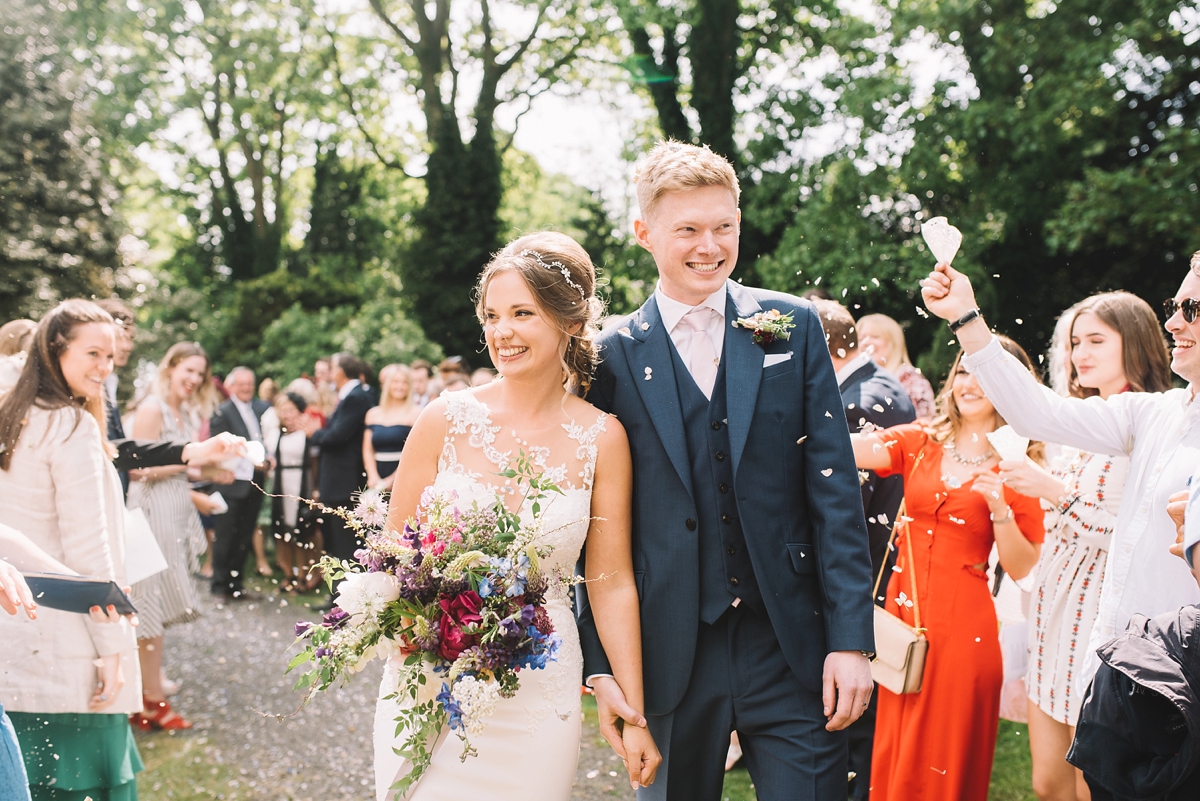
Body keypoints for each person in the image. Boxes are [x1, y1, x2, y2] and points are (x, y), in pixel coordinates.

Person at [580, 141, 875, 801]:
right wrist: (603, 670)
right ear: (644, 233)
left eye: (724, 227)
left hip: (792, 646)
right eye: (687, 229)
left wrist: (851, 639)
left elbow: (833, 492)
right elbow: (590, 535)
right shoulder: (609, 359)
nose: (709, 245)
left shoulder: (788, 327)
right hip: (666, 655)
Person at [373, 231, 658, 799]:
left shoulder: (603, 438)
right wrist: (412, 625)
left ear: (569, 323)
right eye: (492, 315)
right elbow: (392, 550)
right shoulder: (442, 418)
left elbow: (611, 582)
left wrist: (633, 706)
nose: (501, 332)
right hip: (430, 681)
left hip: (539, 690)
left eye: (523, 313)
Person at [920, 257, 1200, 716]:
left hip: (1179, 685)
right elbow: (1039, 413)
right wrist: (966, 319)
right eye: (1174, 306)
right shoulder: (1153, 412)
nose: (1172, 321)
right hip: (1105, 655)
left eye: (1192, 309)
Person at [851, 336, 1046, 801]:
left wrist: (999, 508)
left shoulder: (1018, 465)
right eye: (962, 370)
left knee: (944, 762)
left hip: (965, 633)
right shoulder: (921, 442)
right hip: (903, 624)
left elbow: (1023, 566)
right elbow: (851, 448)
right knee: (895, 753)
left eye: (983, 373)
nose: (968, 383)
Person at [994, 293, 1171, 801]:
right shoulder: (1077, 423)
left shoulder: (1153, 426)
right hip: (1054, 615)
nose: (1080, 354)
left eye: (1096, 340)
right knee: (1047, 784)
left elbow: (1140, 533)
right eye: (1075, 342)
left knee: (1090, 784)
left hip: (1102, 623)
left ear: (1135, 343)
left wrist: (1052, 490)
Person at [0, 299, 143, 801]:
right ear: (54, 349)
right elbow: (91, 555)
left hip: (11, 639)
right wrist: (112, 653)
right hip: (68, 647)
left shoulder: (9, 411)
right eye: (93, 354)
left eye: (111, 356)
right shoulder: (70, 426)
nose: (105, 367)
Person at [814, 299, 916, 801]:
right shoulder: (878, 383)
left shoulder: (856, 401)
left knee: (852, 733)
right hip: (878, 570)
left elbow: (846, 510)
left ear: (822, 346)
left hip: (864, 577)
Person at [126, 341, 220, 730]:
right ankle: (149, 702)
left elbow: (178, 465)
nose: (194, 379)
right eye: (188, 370)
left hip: (174, 514)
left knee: (159, 608)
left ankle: (144, 693)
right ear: (171, 368)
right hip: (149, 515)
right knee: (148, 604)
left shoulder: (185, 412)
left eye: (200, 374)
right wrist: (195, 460)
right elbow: (135, 468)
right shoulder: (152, 408)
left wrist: (212, 471)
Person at [305, 352, 377, 578]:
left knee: (345, 544)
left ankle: (344, 597)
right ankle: (337, 597)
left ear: (341, 372)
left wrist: (314, 433)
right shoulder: (351, 395)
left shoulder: (356, 397)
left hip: (344, 482)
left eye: (333, 368)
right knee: (336, 541)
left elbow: (338, 436)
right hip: (339, 481)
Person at [208, 366, 270, 600]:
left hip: (256, 482)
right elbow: (219, 448)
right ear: (232, 386)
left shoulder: (263, 409)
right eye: (241, 384)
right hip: (231, 482)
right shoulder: (221, 412)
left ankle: (236, 585)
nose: (246, 388)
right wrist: (250, 460)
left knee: (245, 536)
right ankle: (219, 585)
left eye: (249, 384)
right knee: (225, 535)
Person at [267, 391, 321, 592]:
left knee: (303, 531)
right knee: (282, 532)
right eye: (283, 411)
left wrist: (316, 489)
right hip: (281, 486)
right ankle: (288, 573)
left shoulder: (307, 434)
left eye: (291, 410)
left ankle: (304, 574)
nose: (288, 415)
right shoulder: (275, 435)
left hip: (302, 485)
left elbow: (315, 462)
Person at [857, 313, 937, 420]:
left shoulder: (909, 378)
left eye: (875, 336)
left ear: (893, 342)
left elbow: (924, 425)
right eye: (861, 338)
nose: (866, 342)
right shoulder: (859, 382)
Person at [96, 299, 136, 494]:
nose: (127, 346)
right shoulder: (89, 385)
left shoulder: (111, 382)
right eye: (121, 337)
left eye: (131, 338)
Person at [363, 363, 421, 490]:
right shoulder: (373, 414)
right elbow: (368, 449)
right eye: (395, 381)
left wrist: (393, 479)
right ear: (387, 384)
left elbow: (416, 452)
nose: (400, 386)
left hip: (404, 474)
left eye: (404, 382)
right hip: (377, 477)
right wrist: (372, 476)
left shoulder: (416, 414)